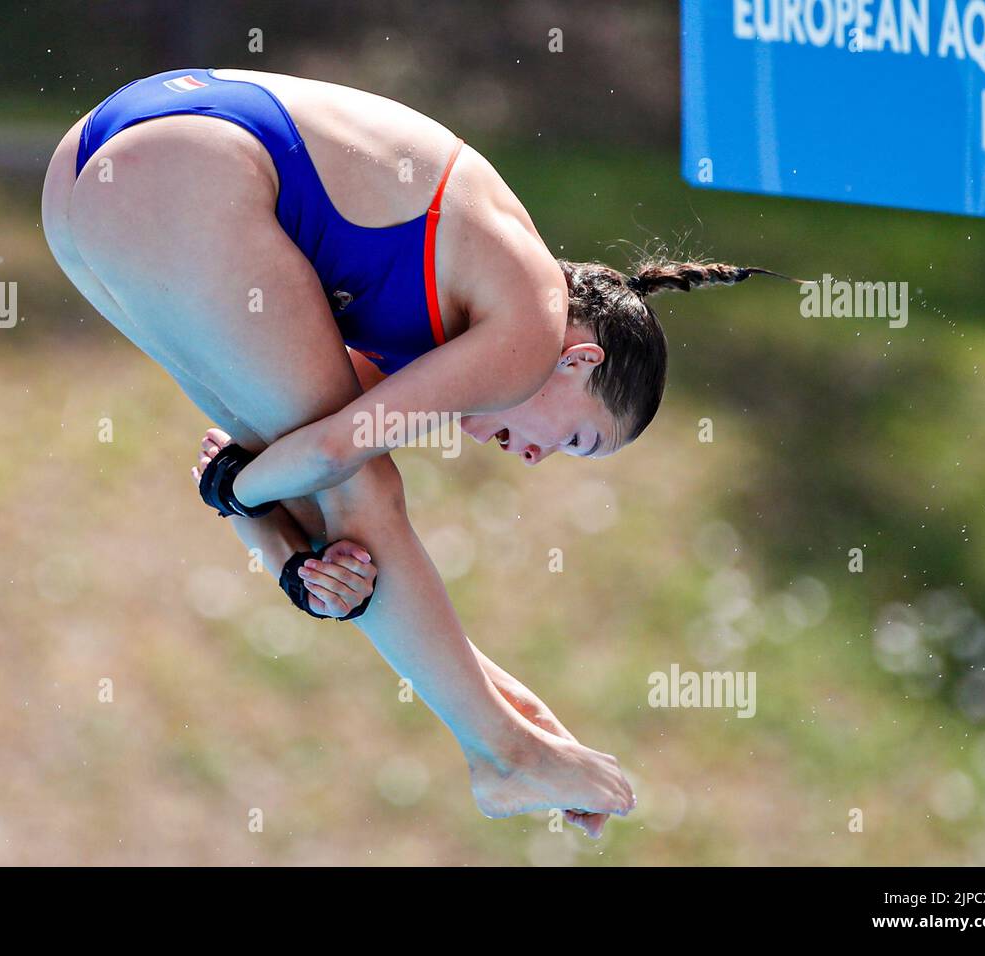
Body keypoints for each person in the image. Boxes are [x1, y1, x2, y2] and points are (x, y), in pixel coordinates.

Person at [42, 67, 775, 836]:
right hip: (184, 174)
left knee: (322, 488)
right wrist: (238, 492)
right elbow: (329, 458)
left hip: (94, 168)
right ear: (581, 361)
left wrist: (294, 563)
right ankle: (501, 756)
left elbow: (260, 457)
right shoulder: (534, 327)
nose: (535, 459)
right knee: (367, 486)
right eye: (578, 440)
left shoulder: (455, 300)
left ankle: (501, 732)